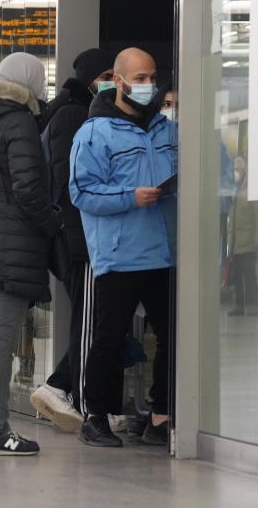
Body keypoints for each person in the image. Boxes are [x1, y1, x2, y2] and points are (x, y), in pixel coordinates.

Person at [70, 47, 177, 447]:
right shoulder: (94, 133)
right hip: (118, 255)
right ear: (118, 82)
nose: (148, 86)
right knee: (108, 336)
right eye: (140, 79)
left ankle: (161, 415)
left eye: (152, 77)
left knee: (171, 336)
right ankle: (95, 415)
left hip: (164, 253)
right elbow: (82, 192)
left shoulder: (167, 130)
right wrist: (131, 197)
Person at [0, 53, 61, 456]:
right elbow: (29, 190)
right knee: (1, 337)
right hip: (12, 242)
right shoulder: (19, 120)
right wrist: (55, 225)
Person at [28, 48, 115, 432]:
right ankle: (72, 393)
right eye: (108, 74)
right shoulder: (74, 115)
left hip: (79, 237)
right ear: (92, 79)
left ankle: (67, 388)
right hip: (79, 239)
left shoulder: (72, 111)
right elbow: (70, 184)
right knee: (90, 319)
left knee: (96, 319)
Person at [228, 157, 258, 316]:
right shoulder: (236, 189)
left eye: (237, 168)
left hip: (248, 241)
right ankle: (239, 305)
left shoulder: (251, 189)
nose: (236, 171)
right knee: (237, 275)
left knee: (249, 275)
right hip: (237, 242)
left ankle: (252, 305)